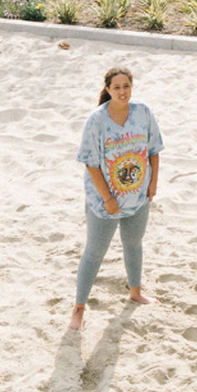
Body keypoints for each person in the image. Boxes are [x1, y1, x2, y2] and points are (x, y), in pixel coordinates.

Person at [74, 63, 162, 327]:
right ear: (108, 89)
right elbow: (91, 163)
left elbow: (154, 150)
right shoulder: (97, 119)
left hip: (138, 197)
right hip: (105, 203)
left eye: (126, 86)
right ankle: (78, 308)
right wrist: (109, 200)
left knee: (134, 244)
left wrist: (153, 184)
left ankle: (135, 292)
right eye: (117, 87)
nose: (122, 92)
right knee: (94, 252)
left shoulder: (143, 112)